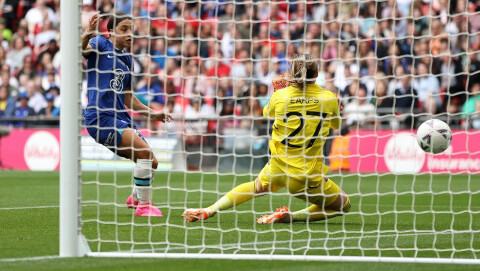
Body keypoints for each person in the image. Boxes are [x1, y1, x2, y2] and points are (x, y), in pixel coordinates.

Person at [183, 54, 351, 223]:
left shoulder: (280, 96)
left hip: (278, 166)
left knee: (255, 187)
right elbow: (336, 125)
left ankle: (210, 209)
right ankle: (291, 217)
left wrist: (280, 91)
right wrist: (336, 106)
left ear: (292, 73)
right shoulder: (328, 98)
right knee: (344, 205)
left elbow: (266, 113)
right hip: (305, 175)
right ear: (316, 74)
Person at [82, 12, 173, 217]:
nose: (129, 34)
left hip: (120, 117)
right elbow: (81, 49)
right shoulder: (100, 44)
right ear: (111, 31)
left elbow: (129, 98)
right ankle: (144, 207)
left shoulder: (128, 60)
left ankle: (135, 198)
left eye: (131, 30)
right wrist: (88, 33)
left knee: (152, 163)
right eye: (124, 29)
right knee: (145, 155)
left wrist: (153, 114)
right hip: (100, 117)